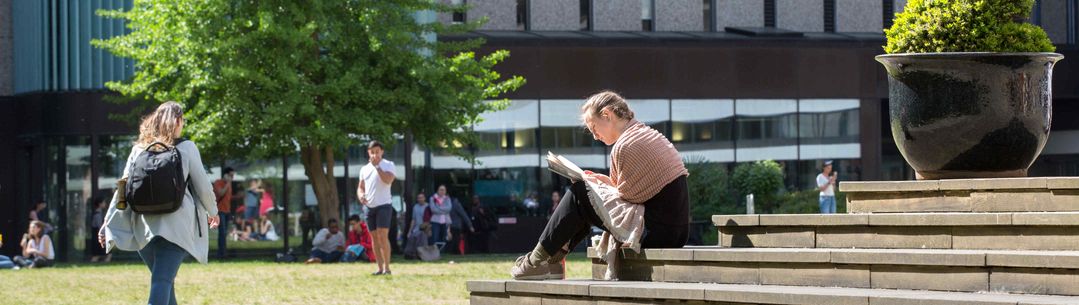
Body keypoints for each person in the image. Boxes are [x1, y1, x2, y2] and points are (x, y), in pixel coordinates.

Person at [510, 91, 690, 280]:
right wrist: (601, 183)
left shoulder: (626, 144)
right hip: (674, 232)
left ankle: (536, 261)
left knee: (580, 192)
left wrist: (592, 185)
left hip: (655, 232)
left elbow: (627, 196)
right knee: (586, 194)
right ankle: (550, 261)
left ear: (607, 115)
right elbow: (639, 190)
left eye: (594, 127)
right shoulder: (644, 134)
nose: (595, 136)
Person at [99, 101, 221, 305]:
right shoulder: (187, 148)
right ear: (179, 121)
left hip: (143, 227)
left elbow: (122, 189)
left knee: (164, 281)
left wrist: (108, 221)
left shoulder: (139, 150)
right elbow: (203, 186)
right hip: (177, 227)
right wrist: (213, 211)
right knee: (162, 281)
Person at [356, 140, 396, 275]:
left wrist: (378, 167)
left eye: (377, 152)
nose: (375, 155)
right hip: (369, 207)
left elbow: (388, 180)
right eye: (372, 152)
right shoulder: (364, 169)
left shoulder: (388, 165)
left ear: (382, 152)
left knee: (382, 236)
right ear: (369, 153)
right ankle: (379, 268)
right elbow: (360, 187)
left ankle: (387, 268)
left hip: (384, 205)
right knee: (374, 237)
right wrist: (361, 195)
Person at [212, 167, 237, 258]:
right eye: (230, 175)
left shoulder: (228, 184)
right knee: (222, 232)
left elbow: (228, 198)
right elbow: (220, 193)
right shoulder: (218, 182)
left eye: (233, 175)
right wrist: (228, 183)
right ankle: (221, 254)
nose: (232, 177)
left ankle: (223, 252)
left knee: (225, 233)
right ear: (225, 175)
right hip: (219, 211)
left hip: (227, 211)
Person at [89, 196, 111, 263]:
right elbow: (99, 226)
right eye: (103, 202)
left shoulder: (99, 214)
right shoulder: (98, 215)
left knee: (104, 253)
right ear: (100, 204)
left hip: (97, 237)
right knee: (98, 255)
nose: (105, 204)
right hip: (97, 238)